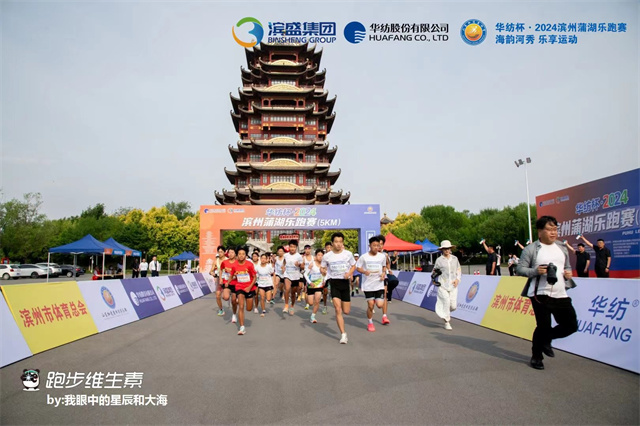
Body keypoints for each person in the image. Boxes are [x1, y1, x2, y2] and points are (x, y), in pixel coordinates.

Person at [517, 216, 578, 370]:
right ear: (540, 231)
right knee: (543, 326)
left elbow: (567, 266)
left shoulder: (561, 247)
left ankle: (546, 339)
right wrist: (536, 271)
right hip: (539, 293)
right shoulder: (531, 249)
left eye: (555, 229)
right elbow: (520, 269)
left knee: (571, 325)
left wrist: (568, 273)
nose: (553, 233)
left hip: (561, 292)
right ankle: (537, 357)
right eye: (549, 229)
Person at [321, 232, 356, 344]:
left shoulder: (348, 254)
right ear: (332, 243)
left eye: (340, 242)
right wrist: (323, 271)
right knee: (337, 309)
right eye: (336, 242)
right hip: (334, 283)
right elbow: (322, 267)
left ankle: (343, 329)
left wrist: (349, 274)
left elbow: (354, 265)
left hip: (345, 283)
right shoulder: (327, 256)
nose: (338, 244)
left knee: (346, 311)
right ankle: (343, 334)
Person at [356, 236, 388, 332]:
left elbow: (384, 267)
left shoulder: (382, 256)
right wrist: (364, 271)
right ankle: (370, 322)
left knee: (380, 305)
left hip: (379, 284)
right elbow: (358, 267)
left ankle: (375, 300)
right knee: (370, 305)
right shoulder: (364, 257)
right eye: (374, 245)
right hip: (368, 285)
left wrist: (383, 273)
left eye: (378, 245)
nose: (376, 247)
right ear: (369, 246)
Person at [433, 240, 461, 330]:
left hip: (453, 285)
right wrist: (434, 279)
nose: (447, 250)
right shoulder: (439, 260)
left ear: (450, 249)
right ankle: (447, 322)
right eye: (445, 249)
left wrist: (457, 279)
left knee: (453, 306)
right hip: (443, 285)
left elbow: (458, 269)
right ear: (442, 250)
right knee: (446, 302)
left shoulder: (455, 259)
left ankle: (444, 312)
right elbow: (434, 271)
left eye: (448, 248)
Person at [231, 247, 257, 335]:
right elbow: (232, 275)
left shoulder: (249, 264)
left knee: (249, 308)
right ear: (237, 255)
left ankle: (244, 301)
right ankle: (242, 327)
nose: (241, 255)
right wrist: (229, 281)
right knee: (241, 307)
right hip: (239, 287)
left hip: (249, 287)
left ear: (246, 255)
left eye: (243, 254)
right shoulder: (234, 265)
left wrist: (249, 287)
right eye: (239, 254)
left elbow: (254, 277)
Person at [304, 249, 326, 324]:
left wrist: (324, 278)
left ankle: (313, 316)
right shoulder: (312, 264)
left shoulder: (324, 265)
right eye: (318, 255)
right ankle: (307, 297)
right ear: (315, 256)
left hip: (319, 286)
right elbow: (305, 274)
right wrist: (309, 282)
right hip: (311, 286)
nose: (320, 257)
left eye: (322, 255)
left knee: (317, 300)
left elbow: (326, 275)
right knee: (310, 303)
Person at [282, 240, 303, 315]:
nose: (292, 248)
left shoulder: (299, 256)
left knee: (293, 293)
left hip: (295, 276)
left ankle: (292, 306)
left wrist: (299, 265)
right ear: (289, 247)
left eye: (294, 247)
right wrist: (283, 267)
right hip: (287, 274)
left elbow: (302, 266)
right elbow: (284, 262)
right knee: (287, 288)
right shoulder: (286, 255)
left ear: (296, 247)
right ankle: (286, 305)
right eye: (291, 247)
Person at [220, 248, 238, 323]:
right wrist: (220, 279)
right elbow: (221, 270)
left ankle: (234, 314)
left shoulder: (238, 263)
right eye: (229, 252)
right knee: (226, 297)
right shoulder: (224, 262)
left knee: (234, 301)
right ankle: (225, 294)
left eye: (232, 252)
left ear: (235, 254)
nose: (230, 254)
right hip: (226, 282)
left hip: (235, 283)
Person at [213, 246, 226, 316]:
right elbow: (211, 270)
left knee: (225, 297)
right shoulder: (216, 261)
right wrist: (212, 273)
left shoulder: (227, 260)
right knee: (217, 295)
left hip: (226, 279)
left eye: (221, 252)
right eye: (219, 252)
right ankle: (221, 309)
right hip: (219, 278)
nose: (220, 253)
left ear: (224, 252)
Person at [301, 245, 314, 310]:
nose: (307, 250)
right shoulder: (303, 258)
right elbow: (301, 267)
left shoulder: (313, 258)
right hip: (306, 275)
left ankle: (312, 300)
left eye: (308, 249)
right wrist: (301, 265)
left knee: (313, 288)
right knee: (306, 289)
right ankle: (307, 303)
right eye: (306, 249)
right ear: (304, 250)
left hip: (313, 275)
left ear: (310, 250)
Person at [321, 241, 332, 314]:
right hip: (325, 276)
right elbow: (321, 266)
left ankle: (332, 295)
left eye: (330, 247)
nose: (329, 249)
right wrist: (323, 270)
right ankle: (325, 306)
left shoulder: (335, 255)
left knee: (333, 289)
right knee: (325, 292)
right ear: (325, 248)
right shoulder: (324, 257)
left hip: (333, 275)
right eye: (328, 247)